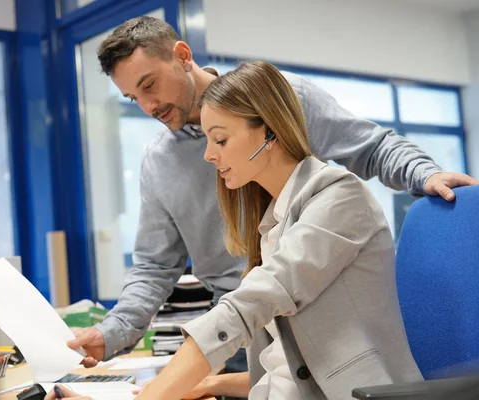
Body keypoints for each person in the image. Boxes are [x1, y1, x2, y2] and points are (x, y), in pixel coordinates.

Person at [67, 15, 477, 399]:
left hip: (307, 340)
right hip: (256, 347)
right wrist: (117, 334)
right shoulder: (265, 223)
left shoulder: (318, 169)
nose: (147, 106)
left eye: (149, 85)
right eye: (132, 97)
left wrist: (424, 174)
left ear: (182, 56)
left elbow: (370, 146)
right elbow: (156, 267)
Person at [132, 60, 422, 399]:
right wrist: (213, 383)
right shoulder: (273, 221)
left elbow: (251, 303)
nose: (209, 155)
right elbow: (292, 369)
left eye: (220, 140)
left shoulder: (340, 199)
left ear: (269, 132)